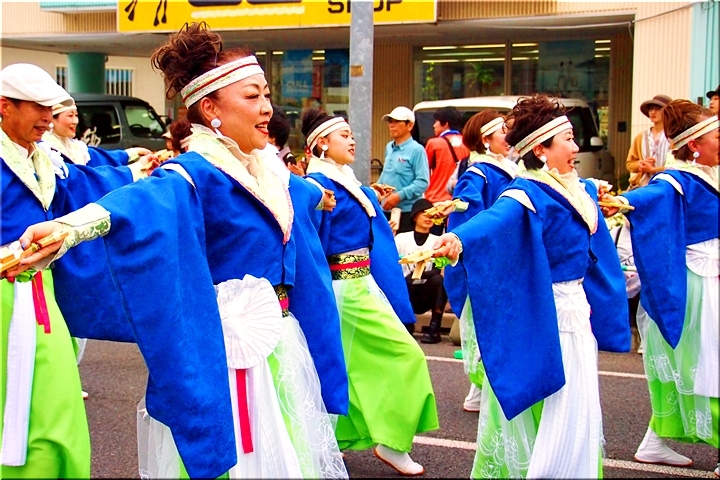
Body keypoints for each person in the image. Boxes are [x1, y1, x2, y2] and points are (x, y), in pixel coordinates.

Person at [6, 24, 348, 479]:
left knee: (287, 458)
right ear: (211, 108)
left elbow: (297, 196)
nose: (267, 107)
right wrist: (69, 229)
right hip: (225, 352)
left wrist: (321, 195)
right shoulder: (193, 173)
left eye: (266, 95)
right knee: (235, 457)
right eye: (252, 96)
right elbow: (140, 203)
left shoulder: (270, 174)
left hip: (280, 344)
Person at [432, 95, 629, 478]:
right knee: (547, 399)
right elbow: (494, 219)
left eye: (573, 138)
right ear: (540, 149)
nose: (576, 147)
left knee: (576, 397)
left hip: (576, 308)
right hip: (544, 309)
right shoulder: (527, 192)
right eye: (567, 139)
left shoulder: (576, 188)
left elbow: (585, 211)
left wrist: (606, 195)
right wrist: (458, 238)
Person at [0, 63, 155, 478]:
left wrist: (139, 173)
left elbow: (85, 183)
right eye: (38, 108)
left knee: (52, 397)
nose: (48, 118)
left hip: (37, 287)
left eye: (51, 109)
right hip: (6, 293)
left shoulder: (43, 158)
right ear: (4, 107)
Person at [303, 109, 439, 476]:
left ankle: (330, 442)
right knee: (406, 356)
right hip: (346, 289)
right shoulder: (318, 185)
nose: (353, 140)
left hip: (361, 284)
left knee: (343, 367)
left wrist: (369, 194)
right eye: (344, 135)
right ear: (321, 143)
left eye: (351, 134)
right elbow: (312, 242)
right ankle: (391, 442)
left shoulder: (342, 180)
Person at [604, 100, 718, 475]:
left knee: (697, 359)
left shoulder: (708, 173)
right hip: (699, 283)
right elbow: (650, 196)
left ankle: (655, 441)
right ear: (694, 144)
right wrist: (622, 200)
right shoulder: (678, 179)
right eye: (718, 135)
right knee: (704, 360)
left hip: (711, 275)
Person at [440, 110, 515, 413]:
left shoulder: (507, 170)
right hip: (489, 263)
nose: (509, 137)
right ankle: (483, 387)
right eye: (503, 131)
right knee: (489, 322)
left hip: (503, 259)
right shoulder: (477, 175)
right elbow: (466, 218)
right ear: (485, 139)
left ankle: (481, 389)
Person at [394, 198, 448, 344]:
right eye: (424, 213)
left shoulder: (438, 240)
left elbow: (436, 271)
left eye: (431, 214)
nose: (428, 217)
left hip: (426, 292)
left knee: (439, 281)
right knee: (400, 282)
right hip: (405, 291)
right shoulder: (401, 239)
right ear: (414, 217)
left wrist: (416, 275)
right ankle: (406, 324)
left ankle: (434, 328)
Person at [42, 98, 151, 167]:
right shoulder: (45, 150)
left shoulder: (77, 148)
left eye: (76, 115)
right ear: (52, 119)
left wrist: (132, 153)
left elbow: (103, 158)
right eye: (70, 115)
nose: (76, 121)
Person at [377, 106, 429, 233]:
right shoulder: (389, 147)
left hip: (407, 212)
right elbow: (386, 174)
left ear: (410, 125)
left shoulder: (417, 150)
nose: (391, 125)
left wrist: (399, 196)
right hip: (385, 210)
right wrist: (376, 191)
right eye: (390, 121)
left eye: (396, 121)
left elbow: (423, 182)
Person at [424, 107, 469, 225]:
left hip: (436, 200)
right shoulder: (467, 143)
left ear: (445, 124)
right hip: (458, 201)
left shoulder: (434, 143)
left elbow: (424, 170)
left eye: (436, 121)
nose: (434, 125)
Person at [626, 94, 673, 189]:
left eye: (658, 109)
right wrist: (640, 164)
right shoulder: (641, 137)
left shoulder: (673, 136)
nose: (653, 112)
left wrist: (653, 170)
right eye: (651, 109)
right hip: (644, 186)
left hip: (667, 185)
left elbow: (679, 166)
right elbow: (629, 164)